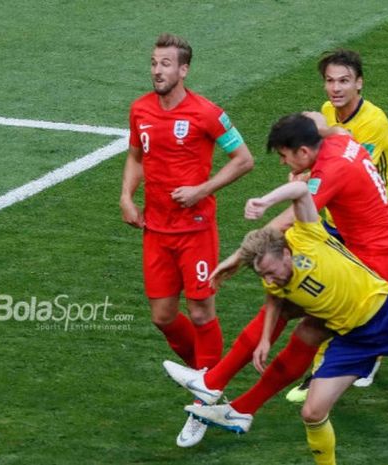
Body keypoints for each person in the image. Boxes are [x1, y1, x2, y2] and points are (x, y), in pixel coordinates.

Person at [165, 113, 388, 432]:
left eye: (283, 155)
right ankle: (226, 395)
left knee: (292, 316)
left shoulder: (329, 171)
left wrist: (239, 257)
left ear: (304, 152)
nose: (282, 163)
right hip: (381, 255)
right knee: (296, 322)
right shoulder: (341, 141)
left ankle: (222, 391)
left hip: (372, 267)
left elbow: (291, 216)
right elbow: (327, 126)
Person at [185, 180, 388, 465]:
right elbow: (274, 301)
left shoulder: (307, 236)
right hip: (352, 340)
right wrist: (265, 338)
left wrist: (264, 200)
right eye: (262, 275)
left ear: (287, 253)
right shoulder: (275, 280)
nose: (268, 280)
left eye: (269, 271)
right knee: (312, 413)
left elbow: (301, 191)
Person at [120, 33, 254, 447]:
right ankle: (209, 382)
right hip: (156, 231)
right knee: (163, 316)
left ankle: (204, 401)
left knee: (200, 313)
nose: (157, 70)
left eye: (165, 64)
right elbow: (136, 157)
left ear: (184, 70)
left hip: (195, 230)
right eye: (154, 63)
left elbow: (244, 160)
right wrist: (126, 196)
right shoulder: (140, 109)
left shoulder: (207, 114)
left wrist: (202, 190)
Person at [284, 49, 388, 396]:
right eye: (330, 81)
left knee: (375, 307)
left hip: (373, 222)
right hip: (333, 220)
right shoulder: (324, 114)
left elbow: (347, 165)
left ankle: (380, 363)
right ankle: (321, 371)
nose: (335, 89)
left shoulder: (373, 122)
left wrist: (311, 164)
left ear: (359, 83)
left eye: (344, 81)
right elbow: (323, 162)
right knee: (327, 300)